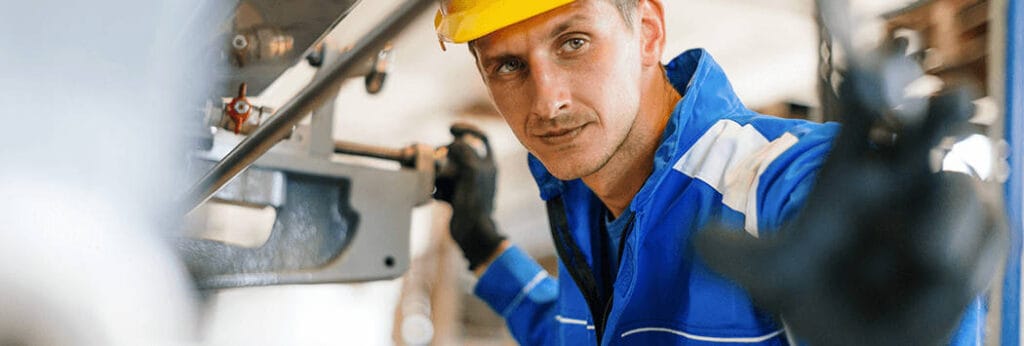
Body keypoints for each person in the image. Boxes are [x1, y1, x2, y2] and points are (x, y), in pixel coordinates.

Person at [431, 0, 988, 344]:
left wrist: (896, 276)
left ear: (647, 32)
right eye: (508, 65)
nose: (547, 101)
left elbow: (828, 214)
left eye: (574, 42)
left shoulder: (766, 181)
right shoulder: (582, 205)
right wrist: (484, 245)